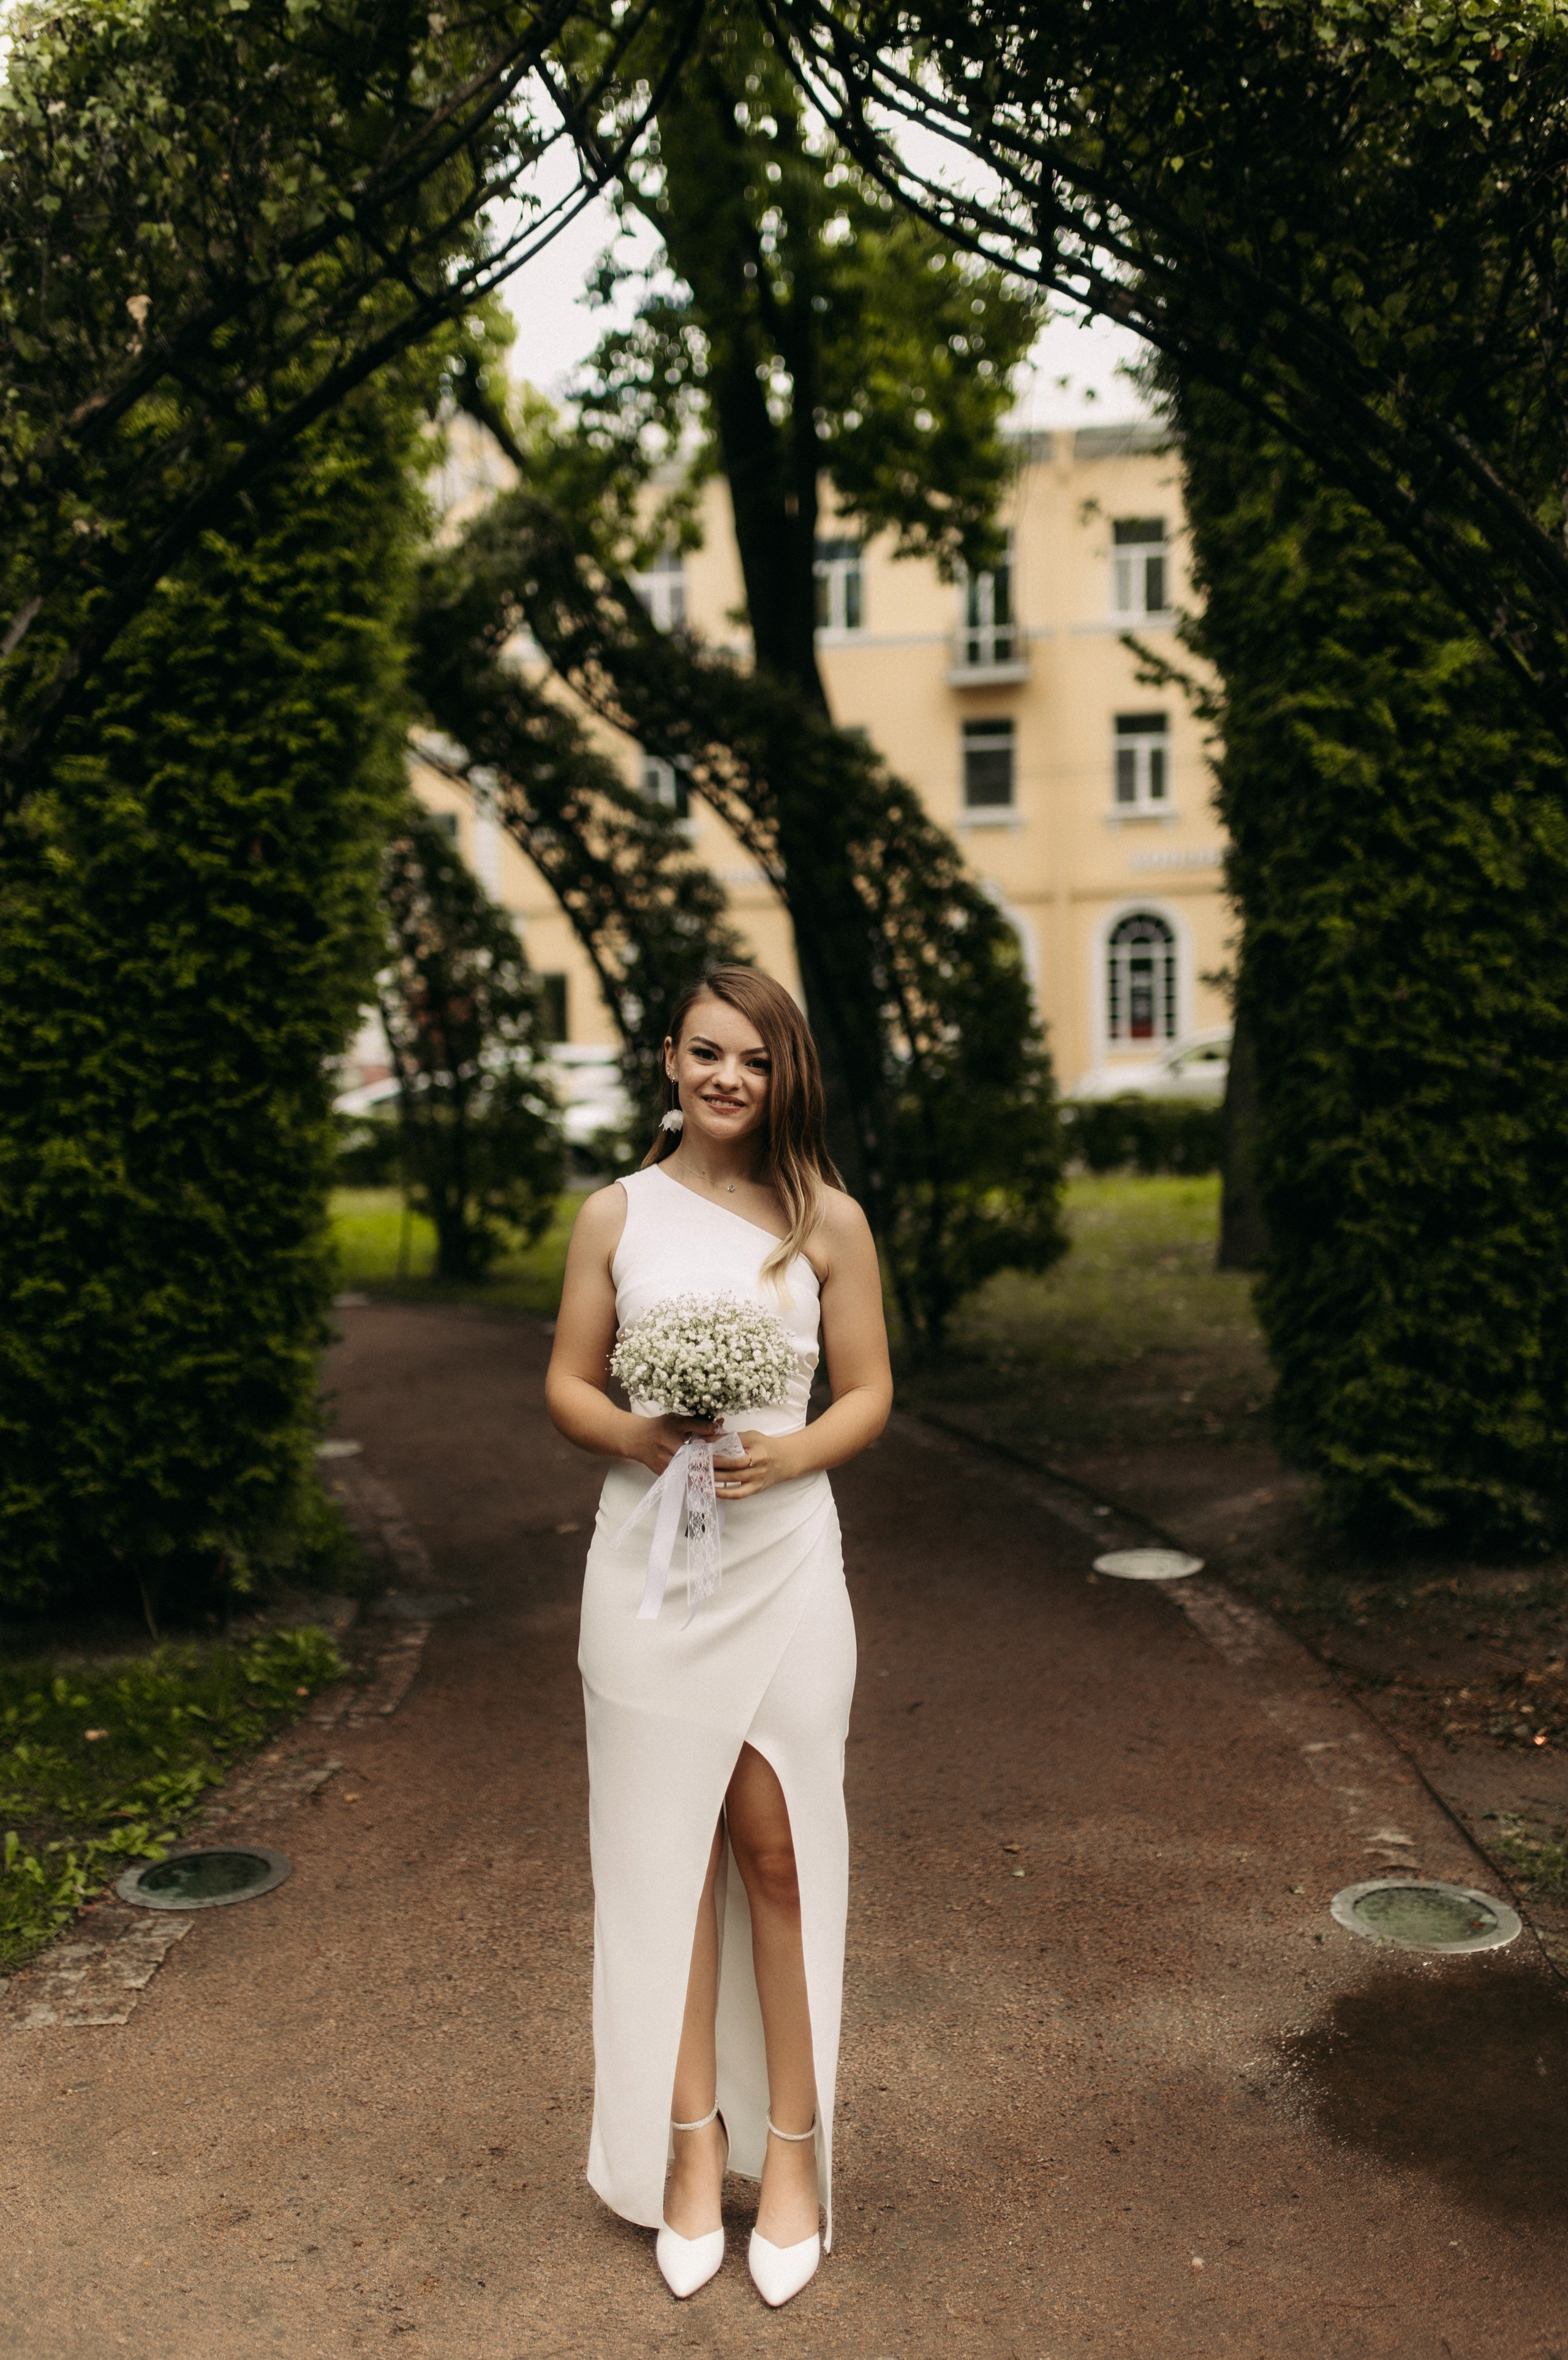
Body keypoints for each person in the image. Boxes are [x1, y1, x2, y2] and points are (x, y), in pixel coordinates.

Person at [545, 966, 892, 2307]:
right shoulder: (613, 1215)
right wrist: (644, 1433)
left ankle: (794, 2156)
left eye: (753, 1058)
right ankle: (688, 2151)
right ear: (667, 1060)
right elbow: (569, 1384)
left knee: (778, 1850)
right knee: (665, 1859)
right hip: (644, 1569)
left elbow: (865, 1394)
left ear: (783, 1073)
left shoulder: (828, 1222)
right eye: (706, 1053)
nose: (727, 1078)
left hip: (784, 1559)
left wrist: (786, 1451)